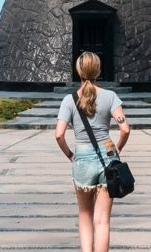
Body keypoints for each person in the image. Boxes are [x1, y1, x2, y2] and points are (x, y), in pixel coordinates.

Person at [55, 51, 131, 252]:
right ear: (98, 71)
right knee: (103, 221)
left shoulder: (69, 100)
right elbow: (125, 128)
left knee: (85, 215)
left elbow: (58, 135)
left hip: (81, 159)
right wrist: (118, 149)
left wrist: (70, 155)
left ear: (78, 71)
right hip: (108, 157)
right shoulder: (110, 96)